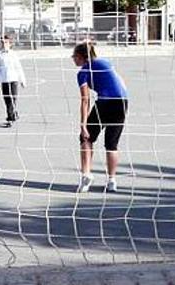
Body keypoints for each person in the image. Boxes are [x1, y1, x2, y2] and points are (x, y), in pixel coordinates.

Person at [72, 41, 128, 193]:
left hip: (105, 102)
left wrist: (83, 125)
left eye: (74, 56)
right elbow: (121, 82)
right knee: (111, 144)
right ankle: (112, 181)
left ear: (81, 57)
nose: (73, 59)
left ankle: (86, 175)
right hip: (122, 103)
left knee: (86, 138)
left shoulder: (83, 72)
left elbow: (85, 99)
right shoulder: (105, 62)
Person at [0, 34, 26, 127]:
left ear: (10, 43)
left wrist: (22, 80)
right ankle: (13, 114)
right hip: (5, 80)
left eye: (6, 42)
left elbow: (18, 67)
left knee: (13, 99)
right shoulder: (0, 55)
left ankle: (10, 119)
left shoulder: (13, 54)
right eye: (3, 42)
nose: (4, 44)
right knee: (7, 100)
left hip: (13, 80)